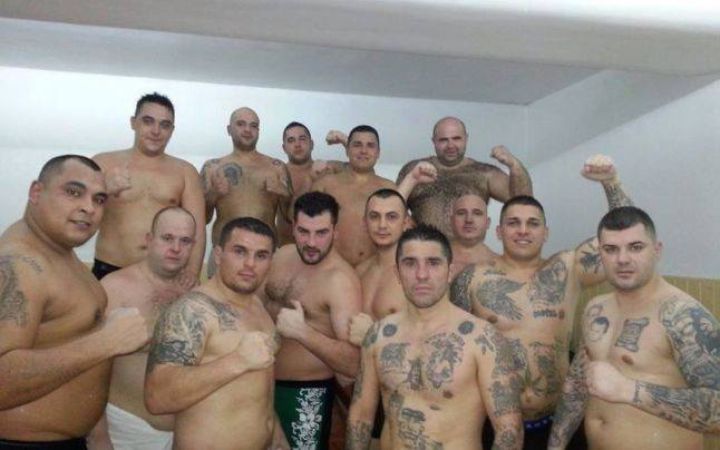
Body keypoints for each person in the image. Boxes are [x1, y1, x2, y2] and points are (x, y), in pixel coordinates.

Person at [449, 154, 633, 449]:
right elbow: (454, 351)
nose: (523, 230)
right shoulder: (472, 279)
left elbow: (625, 235)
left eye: (533, 223)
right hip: (493, 424)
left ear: (545, 233)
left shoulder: (568, 269)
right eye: (514, 223)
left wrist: (611, 183)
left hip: (558, 424)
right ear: (499, 231)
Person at [0, 155, 148, 450]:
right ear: (36, 192)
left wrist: (97, 434)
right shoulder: (19, 265)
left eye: (99, 199)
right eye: (73, 192)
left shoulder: (59, 252)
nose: (89, 208)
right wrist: (106, 342)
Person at [548, 207, 720, 450]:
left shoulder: (682, 316)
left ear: (657, 250)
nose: (622, 259)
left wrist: (630, 389)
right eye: (611, 249)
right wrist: (556, 445)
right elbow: (577, 385)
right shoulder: (596, 309)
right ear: (600, 254)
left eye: (636, 247)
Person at [346, 225, 523, 450]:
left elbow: (509, 430)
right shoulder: (378, 336)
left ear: (449, 272)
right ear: (397, 273)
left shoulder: (483, 339)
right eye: (410, 263)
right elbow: (361, 417)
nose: (421, 275)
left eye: (433, 263)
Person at [144, 217, 287, 450]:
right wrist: (238, 361)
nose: (250, 264)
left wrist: (276, 435)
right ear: (218, 255)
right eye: (240, 251)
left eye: (261, 255)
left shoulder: (256, 305)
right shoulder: (192, 310)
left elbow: (258, 389)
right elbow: (157, 397)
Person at [88, 207, 197, 450]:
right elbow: (89, 368)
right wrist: (98, 436)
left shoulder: (194, 291)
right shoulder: (115, 288)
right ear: (149, 240)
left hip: (184, 432)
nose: (176, 248)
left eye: (185, 241)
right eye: (167, 238)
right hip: (125, 431)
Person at [264, 191, 362, 450]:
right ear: (293, 228)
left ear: (335, 232)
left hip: (305, 394)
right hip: (260, 385)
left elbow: (353, 364)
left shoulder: (340, 281)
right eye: (304, 231)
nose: (311, 242)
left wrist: (303, 332)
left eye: (321, 233)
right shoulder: (282, 255)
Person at [93, 93, 205, 280]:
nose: (156, 131)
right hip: (109, 268)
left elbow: (197, 229)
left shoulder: (185, 172)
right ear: (133, 123)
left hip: (164, 274)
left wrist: (192, 273)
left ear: (172, 130)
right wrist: (103, 192)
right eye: (148, 121)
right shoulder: (104, 163)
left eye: (164, 125)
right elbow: (78, 213)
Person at [396, 116, 532, 237]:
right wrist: (408, 224)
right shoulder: (415, 170)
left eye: (456, 138)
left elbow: (525, 203)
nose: (450, 145)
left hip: (469, 253)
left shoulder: (483, 173)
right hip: (423, 251)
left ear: (466, 138)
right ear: (434, 141)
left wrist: (514, 165)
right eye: (443, 140)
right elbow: (392, 207)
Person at [201, 107, 292, 273]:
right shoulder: (213, 167)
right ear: (229, 129)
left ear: (258, 131)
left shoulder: (276, 168)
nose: (248, 130)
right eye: (241, 124)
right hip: (224, 255)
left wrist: (285, 195)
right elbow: (202, 219)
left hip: (265, 255)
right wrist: (213, 194)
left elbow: (290, 217)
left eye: (253, 125)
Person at [311, 125, 395, 266]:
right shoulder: (325, 184)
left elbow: (403, 228)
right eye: (357, 145)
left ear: (378, 152)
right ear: (347, 150)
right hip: (332, 269)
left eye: (370, 146)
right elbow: (306, 224)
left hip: (374, 269)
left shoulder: (390, 188)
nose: (363, 150)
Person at [277, 122, 345, 245]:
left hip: (321, 249)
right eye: (291, 140)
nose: (297, 144)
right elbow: (291, 215)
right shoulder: (278, 174)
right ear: (284, 148)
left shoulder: (328, 168)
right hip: (287, 249)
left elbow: (361, 166)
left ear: (312, 144)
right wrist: (310, 179)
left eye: (302, 139)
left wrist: (344, 140)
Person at [448, 191, 499, 280]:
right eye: (461, 213)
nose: (469, 220)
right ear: (451, 221)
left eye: (477, 213)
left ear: (487, 223)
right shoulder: (433, 258)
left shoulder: (501, 265)